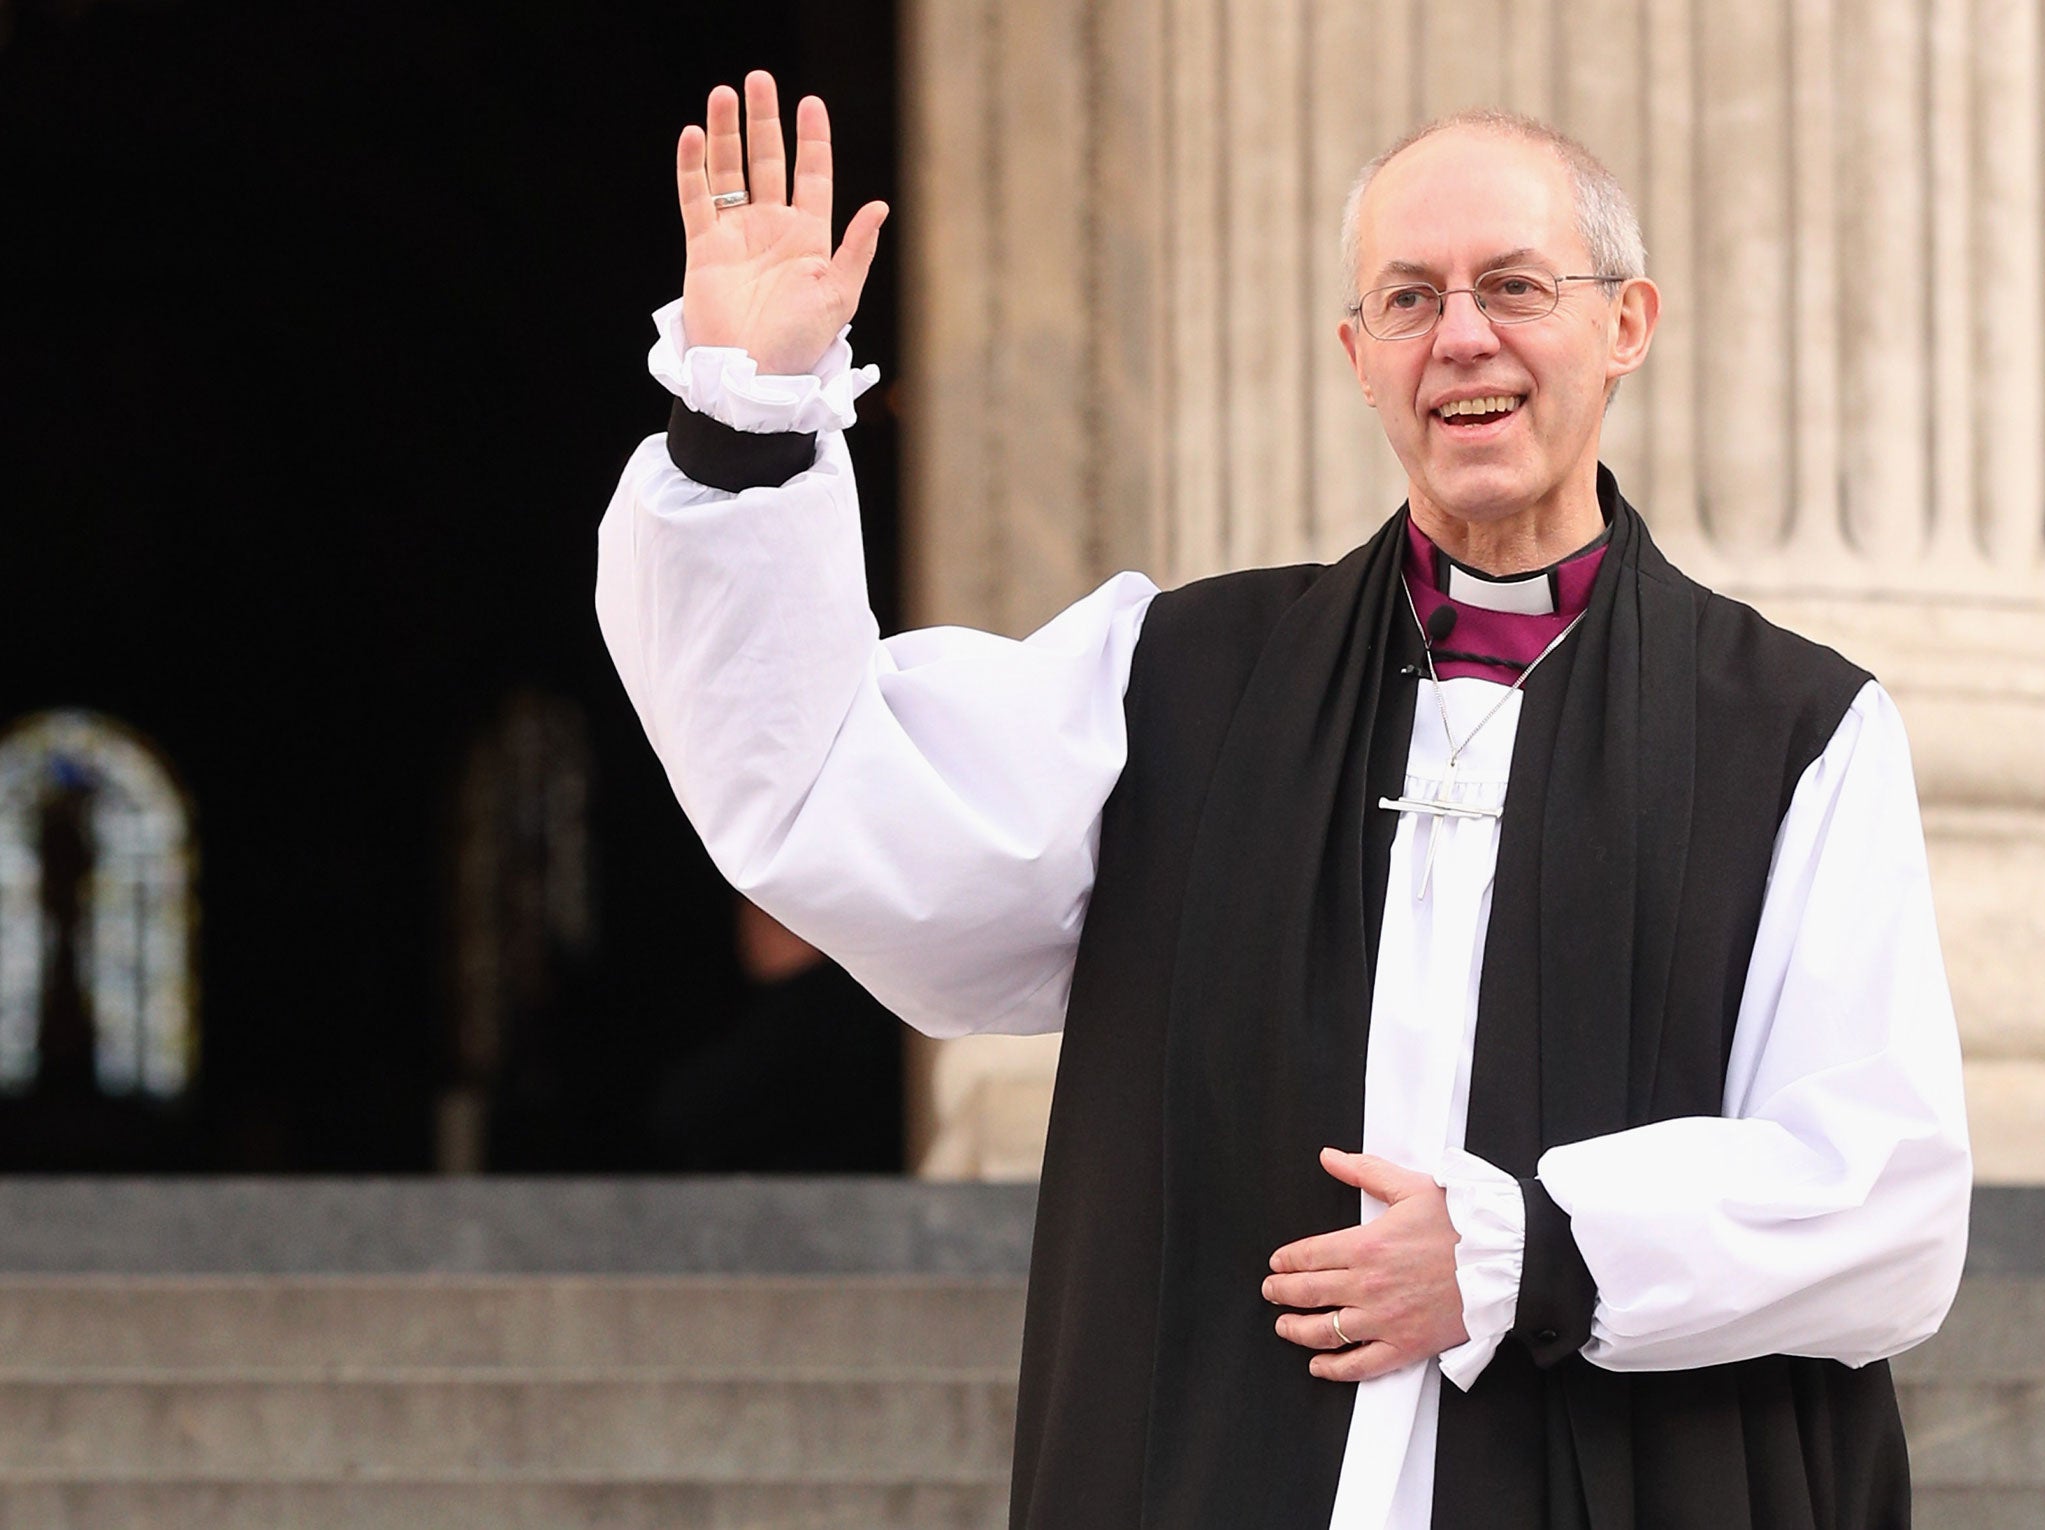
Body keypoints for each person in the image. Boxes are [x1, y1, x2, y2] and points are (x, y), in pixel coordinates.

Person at [596, 71, 1970, 1530]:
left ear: (1624, 324)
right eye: (1406, 299)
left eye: (1514, 284)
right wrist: (743, 425)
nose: (1462, 338)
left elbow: (1884, 1200)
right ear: (1356, 354)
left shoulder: (1792, 733)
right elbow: (830, 789)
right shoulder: (1176, 681)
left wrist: (1524, 1251)